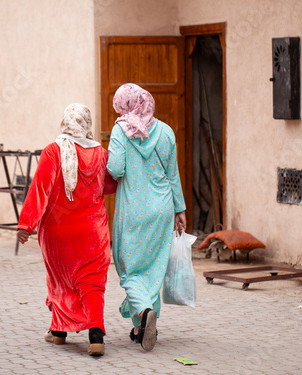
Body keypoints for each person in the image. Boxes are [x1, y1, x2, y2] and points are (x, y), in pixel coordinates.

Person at [17, 103, 117, 356]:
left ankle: (59, 332)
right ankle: (95, 334)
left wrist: (26, 225)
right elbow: (108, 186)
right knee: (91, 282)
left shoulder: (53, 151)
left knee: (61, 280)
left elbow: (40, 189)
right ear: (86, 125)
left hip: (58, 232)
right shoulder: (101, 154)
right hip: (94, 231)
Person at [107, 83, 187, 351]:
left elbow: (116, 169)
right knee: (153, 269)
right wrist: (180, 209)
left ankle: (143, 311)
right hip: (162, 208)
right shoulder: (165, 131)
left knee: (129, 269)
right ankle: (142, 326)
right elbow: (173, 173)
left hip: (132, 212)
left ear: (124, 104)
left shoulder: (121, 131)